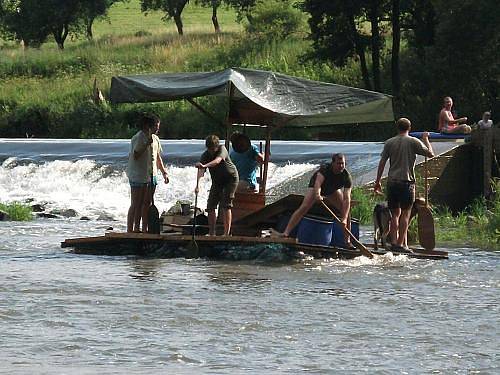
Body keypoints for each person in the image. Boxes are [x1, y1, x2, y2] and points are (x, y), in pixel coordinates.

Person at [374, 117, 434, 251]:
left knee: (395, 214)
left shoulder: (389, 142)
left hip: (392, 183)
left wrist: (377, 181)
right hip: (407, 183)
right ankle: (401, 244)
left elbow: (382, 163)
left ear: (397, 127)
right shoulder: (414, 141)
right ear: (410, 128)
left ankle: (394, 243)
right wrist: (426, 140)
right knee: (406, 214)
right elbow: (430, 154)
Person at [279, 153, 355, 249]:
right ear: (333, 163)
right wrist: (317, 195)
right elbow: (318, 184)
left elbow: (347, 198)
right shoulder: (325, 169)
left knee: (346, 212)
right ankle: (286, 232)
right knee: (304, 207)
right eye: (338, 163)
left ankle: (347, 241)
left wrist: (343, 218)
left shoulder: (347, 176)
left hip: (331, 190)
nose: (341, 166)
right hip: (316, 187)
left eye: (342, 164)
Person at [126, 113, 169, 233]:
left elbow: (157, 156)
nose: (158, 128)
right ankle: (132, 229)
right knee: (136, 204)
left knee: (147, 203)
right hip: (138, 175)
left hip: (151, 174)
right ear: (147, 126)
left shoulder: (155, 139)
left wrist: (164, 172)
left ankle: (144, 229)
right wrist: (146, 144)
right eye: (156, 126)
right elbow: (136, 155)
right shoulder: (138, 138)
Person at [195, 135, 239, 236]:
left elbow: (217, 161)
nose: (211, 151)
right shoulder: (205, 155)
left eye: (212, 149)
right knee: (210, 205)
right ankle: (212, 233)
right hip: (218, 181)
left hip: (230, 178)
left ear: (216, 146)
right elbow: (201, 171)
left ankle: (226, 234)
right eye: (209, 149)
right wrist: (197, 185)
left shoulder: (222, 149)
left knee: (225, 204)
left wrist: (205, 165)